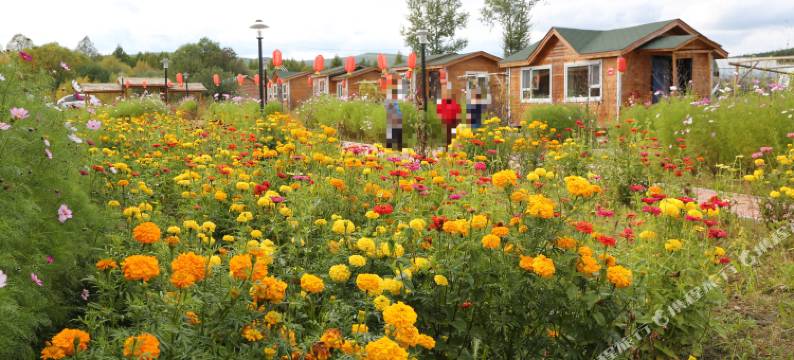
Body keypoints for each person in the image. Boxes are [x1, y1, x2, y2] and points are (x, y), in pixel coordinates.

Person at [436, 74, 460, 146]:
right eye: (443, 91)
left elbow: (458, 115)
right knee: (445, 141)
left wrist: (457, 124)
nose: (445, 93)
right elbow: (438, 115)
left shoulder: (454, 102)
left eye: (446, 91)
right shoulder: (440, 102)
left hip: (453, 124)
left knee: (453, 140)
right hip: (444, 124)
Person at [384, 74, 403, 151]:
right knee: (391, 136)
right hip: (392, 116)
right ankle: (390, 151)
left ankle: (397, 150)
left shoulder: (396, 95)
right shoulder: (389, 95)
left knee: (397, 135)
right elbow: (387, 106)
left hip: (397, 116)